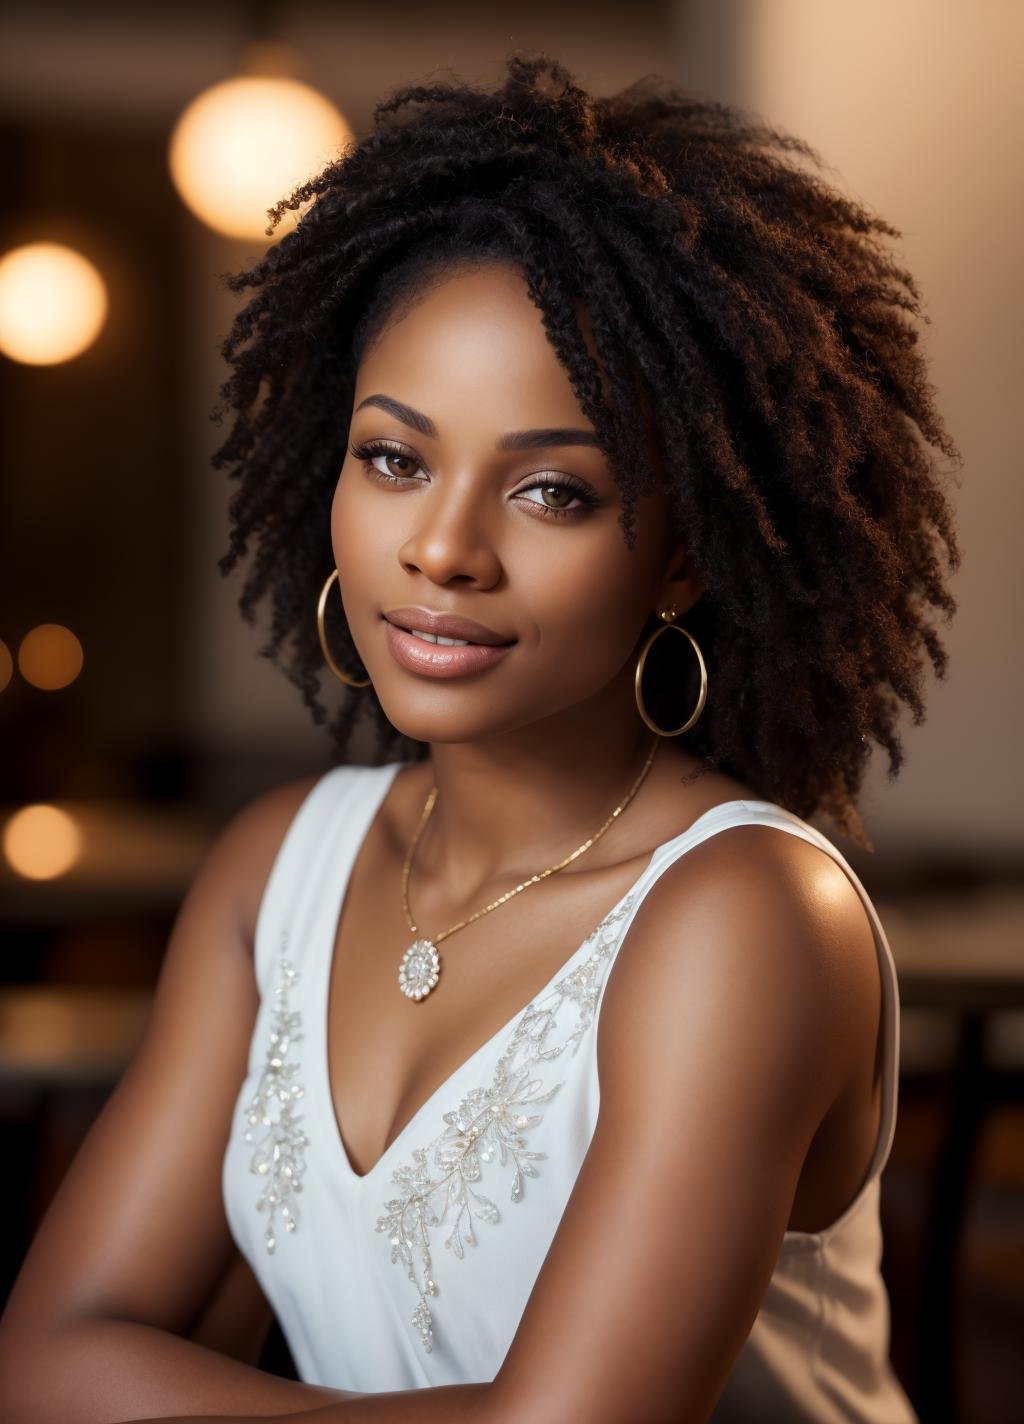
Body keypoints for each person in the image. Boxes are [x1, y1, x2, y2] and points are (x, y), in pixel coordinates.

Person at [0, 53, 961, 1424]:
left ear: (683, 556)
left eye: (553, 491)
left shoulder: (748, 914)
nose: (442, 550)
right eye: (395, 459)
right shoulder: (279, 868)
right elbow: (43, 1362)